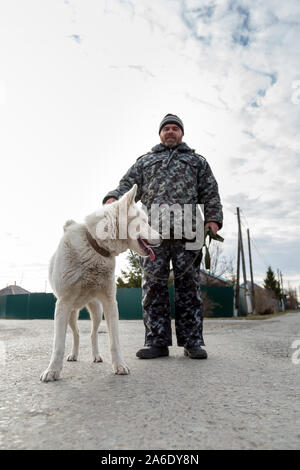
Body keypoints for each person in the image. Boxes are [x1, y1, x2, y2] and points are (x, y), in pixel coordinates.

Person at [103, 114, 223, 359]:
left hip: (189, 232)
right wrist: (114, 197)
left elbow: (210, 191)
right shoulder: (146, 162)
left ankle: (192, 342)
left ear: (181, 133)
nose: (170, 131)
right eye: (166, 128)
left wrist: (212, 219)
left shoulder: (196, 161)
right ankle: (156, 342)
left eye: (175, 128)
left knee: (189, 288)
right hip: (151, 233)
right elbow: (127, 184)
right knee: (153, 287)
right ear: (160, 133)